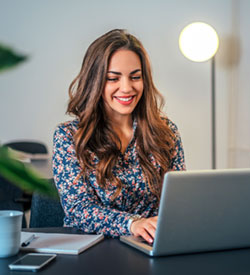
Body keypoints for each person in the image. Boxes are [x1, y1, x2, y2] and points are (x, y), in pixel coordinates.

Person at [52, 29, 186, 244]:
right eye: (113, 78)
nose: (127, 88)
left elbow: (177, 200)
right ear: (94, 82)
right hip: (93, 250)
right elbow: (78, 210)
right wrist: (132, 223)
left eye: (135, 77)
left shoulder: (166, 131)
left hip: (152, 245)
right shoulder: (69, 136)